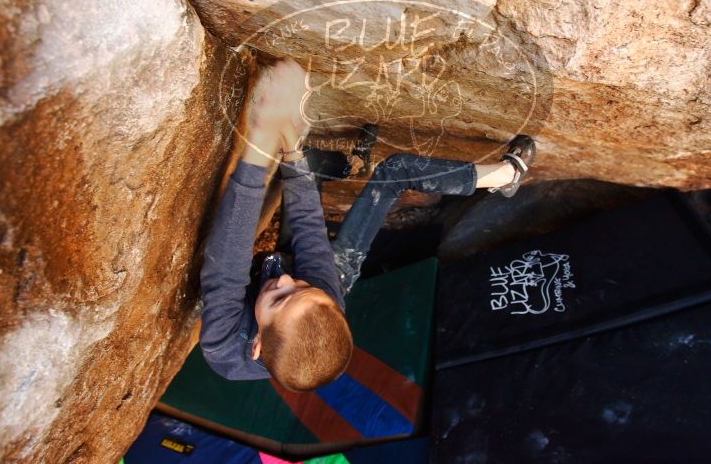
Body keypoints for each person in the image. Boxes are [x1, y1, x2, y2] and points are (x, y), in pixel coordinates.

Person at [198, 57, 535, 392]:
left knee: (304, 164)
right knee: (391, 171)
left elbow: (227, 262)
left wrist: (262, 139)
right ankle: (505, 176)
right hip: (331, 274)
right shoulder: (322, 298)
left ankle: (337, 163)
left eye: (281, 297)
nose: (288, 280)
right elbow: (309, 228)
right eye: (299, 287)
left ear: (256, 343)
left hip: (256, 293)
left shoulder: (225, 345)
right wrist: (290, 147)